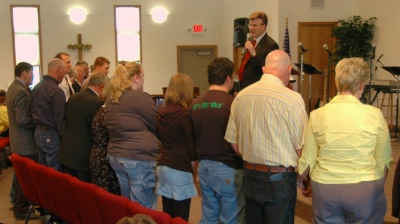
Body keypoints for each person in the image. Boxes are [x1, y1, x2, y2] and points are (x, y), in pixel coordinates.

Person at [298, 57, 392, 223]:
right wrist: (374, 189)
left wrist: (301, 183)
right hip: (365, 188)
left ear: (336, 82)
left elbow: (307, 161)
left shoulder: (317, 114)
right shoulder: (375, 115)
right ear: (362, 85)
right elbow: (384, 161)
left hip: (325, 188)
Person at [225, 50, 308, 223]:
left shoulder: (241, 96)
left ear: (264, 69)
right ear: (288, 70)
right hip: (280, 178)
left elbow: (233, 140)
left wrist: (252, 158)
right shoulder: (292, 99)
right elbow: (301, 146)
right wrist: (302, 177)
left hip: (249, 174)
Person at [190, 57, 244, 224]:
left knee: (208, 215)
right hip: (227, 167)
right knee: (231, 218)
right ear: (228, 78)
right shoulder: (233, 103)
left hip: (204, 167)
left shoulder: (195, 103)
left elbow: (193, 138)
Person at [105, 62, 159, 209]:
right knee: (143, 209)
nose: (144, 80)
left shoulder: (112, 98)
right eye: (143, 76)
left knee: (128, 205)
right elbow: (157, 123)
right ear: (136, 78)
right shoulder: (140, 97)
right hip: (138, 158)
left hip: (117, 156)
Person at [156, 73, 198, 221]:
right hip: (180, 167)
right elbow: (191, 148)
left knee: (167, 214)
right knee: (181, 217)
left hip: (163, 166)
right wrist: (194, 172)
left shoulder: (161, 112)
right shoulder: (184, 115)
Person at [58, 73, 109, 183]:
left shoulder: (73, 97)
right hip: (83, 156)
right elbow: (97, 130)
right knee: (83, 192)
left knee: (70, 189)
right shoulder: (97, 103)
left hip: (66, 152)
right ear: (102, 86)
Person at [7, 62, 40, 220]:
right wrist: (38, 121)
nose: (33, 75)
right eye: (31, 72)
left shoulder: (12, 87)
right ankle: (21, 208)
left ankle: (20, 205)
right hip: (25, 141)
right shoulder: (21, 91)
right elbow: (22, 120)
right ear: (24, 73)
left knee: (20, 175)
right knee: (24, 177)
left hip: (16, 139)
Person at [31, 59, 67, 171]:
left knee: (42, 170)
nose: (64, 76)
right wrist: (64, 138)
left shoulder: (37, 87)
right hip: (51, 134)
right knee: (54, 171)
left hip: (37, 132)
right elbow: (59, 119)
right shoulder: (56, 91)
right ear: (58, 69)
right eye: (64, 72)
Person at [89, 83, 120, 195]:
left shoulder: (100, 111)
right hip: (104, 156)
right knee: (108, 193)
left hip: (97, 154)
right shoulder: (107, 113)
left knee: (101, 192)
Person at [237, 11, 279, 91]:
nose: (251, 28)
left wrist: (254, 53)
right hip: (245, 87)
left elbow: (269, 70)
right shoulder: (251, 41)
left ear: (263, 26)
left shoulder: (271, 45)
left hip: (258, 89)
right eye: (250, 25)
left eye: (255, 25)